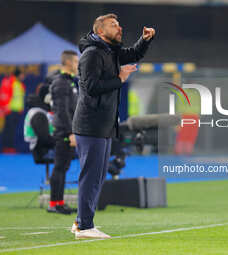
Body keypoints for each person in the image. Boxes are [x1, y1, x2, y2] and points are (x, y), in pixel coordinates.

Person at [71, 13, 155, 239]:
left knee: (98, 176)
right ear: (100, 31)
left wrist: (144, 40)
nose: (119, 28)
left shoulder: (110, 51)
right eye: (113, 25)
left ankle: (81, 222)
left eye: (119, 24)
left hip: (104, 125)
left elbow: (133, 54)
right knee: (91, 176)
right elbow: (91, 87)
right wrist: (120, 78)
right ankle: (85, 227)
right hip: (91, 124)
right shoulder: (92, 54)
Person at [47, 50, 79, 215]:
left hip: (68, 130)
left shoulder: (70, 82)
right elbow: (62, 111)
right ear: (67, 63)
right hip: (63, 132)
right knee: (59, 167)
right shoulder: (61, 83)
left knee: (63, 167)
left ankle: (59, 202)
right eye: (75, 61)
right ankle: (54, 203)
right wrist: (70, 132)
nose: (77, 65)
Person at [0, 68, 26, 153]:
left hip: (17, 111)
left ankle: (10, 147)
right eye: (22, 74)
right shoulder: (10, 82)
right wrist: (5, 108)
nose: (24, 76)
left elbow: (20, 98)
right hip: (10, 111)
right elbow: (4, 95)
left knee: (12, 131)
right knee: (8, 130)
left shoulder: (20, 84)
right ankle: (7, 148)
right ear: (18, 75)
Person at [24, 83, 55, 164]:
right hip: (42, 151)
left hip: (44, 148)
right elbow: (44, 138)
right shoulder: (39, 114)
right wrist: (64, 142)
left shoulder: (42, 111)